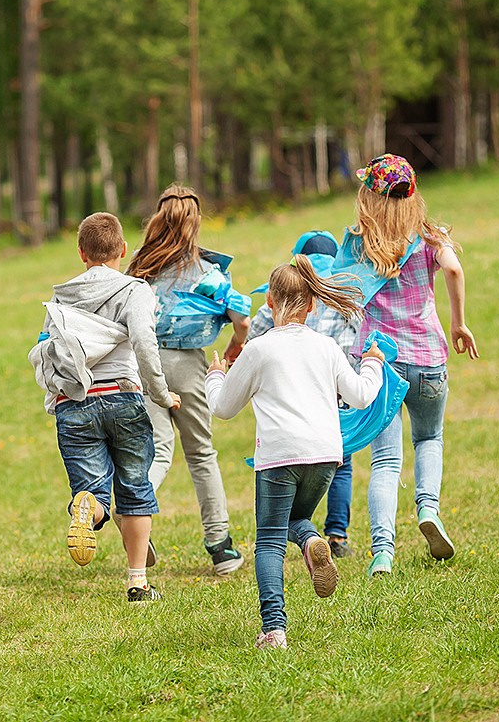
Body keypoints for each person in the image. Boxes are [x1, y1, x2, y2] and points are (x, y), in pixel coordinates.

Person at [206, 255, 385, 649]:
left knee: (269, 539)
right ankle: (310, 540)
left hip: (279, 456)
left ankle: (274, 628)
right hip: (326, 455)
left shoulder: (258, 349)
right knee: (296, 519)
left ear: (269, 301)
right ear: (313, 305)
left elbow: (223, 408)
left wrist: (215, 376)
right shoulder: (326, 347)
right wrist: (372, 365)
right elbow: (360, 396)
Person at [29, 212, 180, 602]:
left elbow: (48, 350)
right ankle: (137, 582)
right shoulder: (134, 290)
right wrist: (162, 394)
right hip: (123, 396)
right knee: (135, 490)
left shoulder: (61, 296)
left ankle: (88, 506)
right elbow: (144, 342)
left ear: (81, 253)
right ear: (124, 249)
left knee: (92, 490)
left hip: (75, 402)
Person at [344, 154, 479, 577]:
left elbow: (341, 288)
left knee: (385, 461)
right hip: (427, 358)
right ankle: (429, 510)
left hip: (379, 363)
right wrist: (458, 323)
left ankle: (382, 553)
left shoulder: (359, 243)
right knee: (429, 438)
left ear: (370, 197)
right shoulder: (430, 236)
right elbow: (453, 269)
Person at [125, 184, 250, 575]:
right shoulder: (208, 273)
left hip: (144, 364)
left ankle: (133, 508)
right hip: (189, 365)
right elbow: (243, 320)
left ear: (158, 219)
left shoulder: (140, 267)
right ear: (195, 223)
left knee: (158, 450)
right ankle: (221, 548)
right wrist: (233, 348)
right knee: (201, 454)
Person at [246, 230, 361, 558]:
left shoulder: (277, 302)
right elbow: (355, 349)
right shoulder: (343, 299)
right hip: (336, 400)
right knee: (341, 466)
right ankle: (336, 535)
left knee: (283, 481)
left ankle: (291, 528)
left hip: (288, 405)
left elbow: (253, 341)